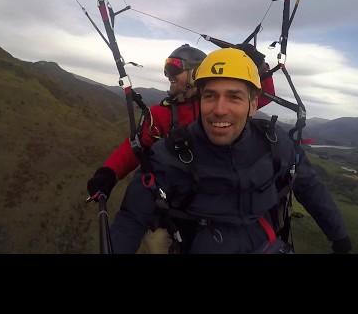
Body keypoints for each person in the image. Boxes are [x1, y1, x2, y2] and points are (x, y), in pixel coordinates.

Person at [109, 47, 352, 254]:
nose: (220, 109)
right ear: (200, 100)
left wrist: (339, 236)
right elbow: (132, 218)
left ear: (253, 104)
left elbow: (310, 187)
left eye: (234, 97)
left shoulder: (276, 145)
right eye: (210, 96)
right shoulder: (169, 156)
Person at [86, 43, 276, 253]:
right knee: (157, 243)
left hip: (219, 204)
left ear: (195, 74)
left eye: (176, 70)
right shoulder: (161, 114)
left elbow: (262, 94)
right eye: (168, 71)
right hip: (176, 207)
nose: (170, 75)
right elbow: (134, 148)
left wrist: (258, 65)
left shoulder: (213, 108)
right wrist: (109, 173)